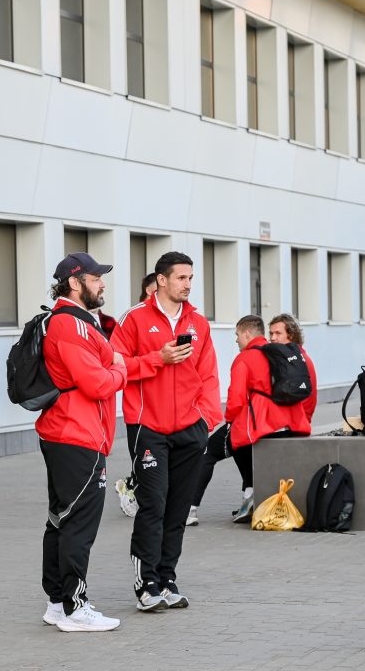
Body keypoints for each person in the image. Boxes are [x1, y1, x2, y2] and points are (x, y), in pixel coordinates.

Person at [111, 251, 221, 611]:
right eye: (181, 278)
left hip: (190, 429)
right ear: (161, 280)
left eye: (190, 278)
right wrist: (158, 358)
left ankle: (167, 579)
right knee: (154, 505)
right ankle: (146, 585)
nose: (188, 284)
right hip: (149, 428)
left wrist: (206, 420)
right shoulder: (134, 318)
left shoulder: (198, 322)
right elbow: (115, 367)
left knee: (178, 510)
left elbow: (208, 375)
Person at [36, 253, 127, 632]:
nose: (102, 283)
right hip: (78, 433)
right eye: (95, 278)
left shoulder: (72, 321)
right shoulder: (71, 324)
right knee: (78, 524)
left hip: (68, 431)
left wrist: (123, 364)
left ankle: (58, 604)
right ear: (75, 283)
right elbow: (97, 383)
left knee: (61, 520)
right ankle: (74, 608)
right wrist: (120, 368)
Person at [188, 315, 317, 526]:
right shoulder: (282, 354)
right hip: (290, 424)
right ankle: (249, 496)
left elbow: (236, 399)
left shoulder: (245, 358)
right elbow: (308, 395)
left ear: (247, 334)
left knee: (208, 450)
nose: (236, 340)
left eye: (237, 335)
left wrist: (229, 420)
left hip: (261, 424)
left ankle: (189, 509)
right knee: (240, 446)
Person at [114, 272, 159, 517]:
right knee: (145, 467)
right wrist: (157, 359)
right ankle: (130, 489)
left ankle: (132, 486)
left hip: (172, 415)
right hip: (142, 414)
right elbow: (120, 363)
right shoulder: (134, 318)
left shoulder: (180, 319)